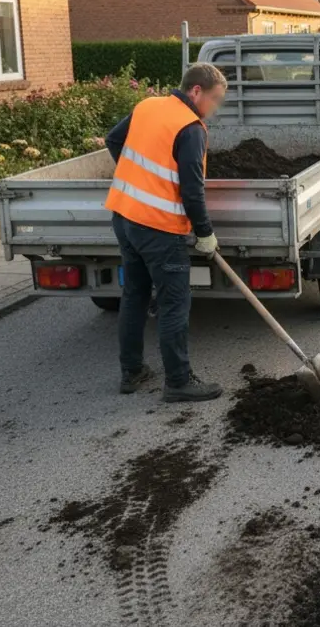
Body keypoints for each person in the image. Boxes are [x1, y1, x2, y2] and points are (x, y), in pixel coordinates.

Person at [104, 62, 227, 402]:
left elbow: (114, 140)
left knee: (135, 295)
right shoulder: (190, 128)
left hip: (124, 216)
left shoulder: (147, 106)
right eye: (214, 100)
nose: (214, 109)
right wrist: (204, 232)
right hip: (159, 229)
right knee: (174, 303)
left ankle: (132, 372)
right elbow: (192, 189)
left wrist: (138, 179)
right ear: (196, 91)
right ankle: (178, 381)